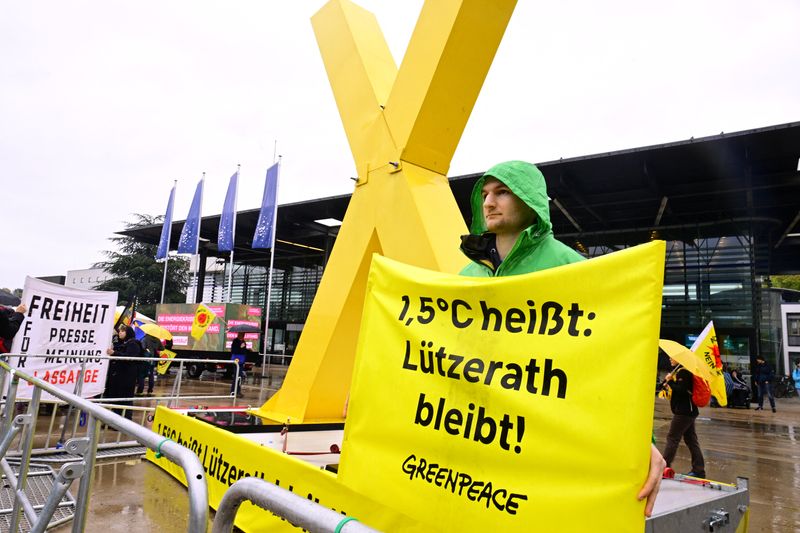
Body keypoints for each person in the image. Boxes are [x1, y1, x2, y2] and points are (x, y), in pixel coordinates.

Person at [459, 160, 664, 516]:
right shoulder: (465, 275)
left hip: (543, 447)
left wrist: (640, 441)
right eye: (485, 194)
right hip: (470, 440)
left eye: (503, 192)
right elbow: (431, 351)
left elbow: (609, 358)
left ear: (531, 199)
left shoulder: (572, 268)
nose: (489, 203)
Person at [660, 358, 705, 478]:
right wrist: (667, 380)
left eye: (672, 357)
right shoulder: (678, 372)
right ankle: (699, 470)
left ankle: (663, 467)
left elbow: (681, 390)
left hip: (684, 412)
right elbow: (665, 386)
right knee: (691, 440)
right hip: (687, 411)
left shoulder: (684, 372)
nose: (669, 358)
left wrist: (670, 382)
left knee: (672, 438)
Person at [105, 325, 141, 419]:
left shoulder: (133, 343)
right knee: (118, 399)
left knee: (124, 399)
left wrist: (114, 353)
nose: (120, 332)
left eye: (123, 331)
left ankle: (125, 421)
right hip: (121, 377)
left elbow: (129, 357)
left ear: (128, 333)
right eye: (120, 331)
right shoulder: (125, 343)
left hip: (127, 377)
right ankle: (116, 421)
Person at [230, 332, 251, 396]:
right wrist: (240, 347)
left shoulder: (243, 341)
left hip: (241, 361)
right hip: (236, 361)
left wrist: (248, 350)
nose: (243, 336)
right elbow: (234, 350)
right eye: (242, 334)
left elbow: (243, 351)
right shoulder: (235, 341)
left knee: (240, 376)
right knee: (236, 376)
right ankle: (233, 391)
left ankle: (238, 391)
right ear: (239, 334)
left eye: (244, 335)